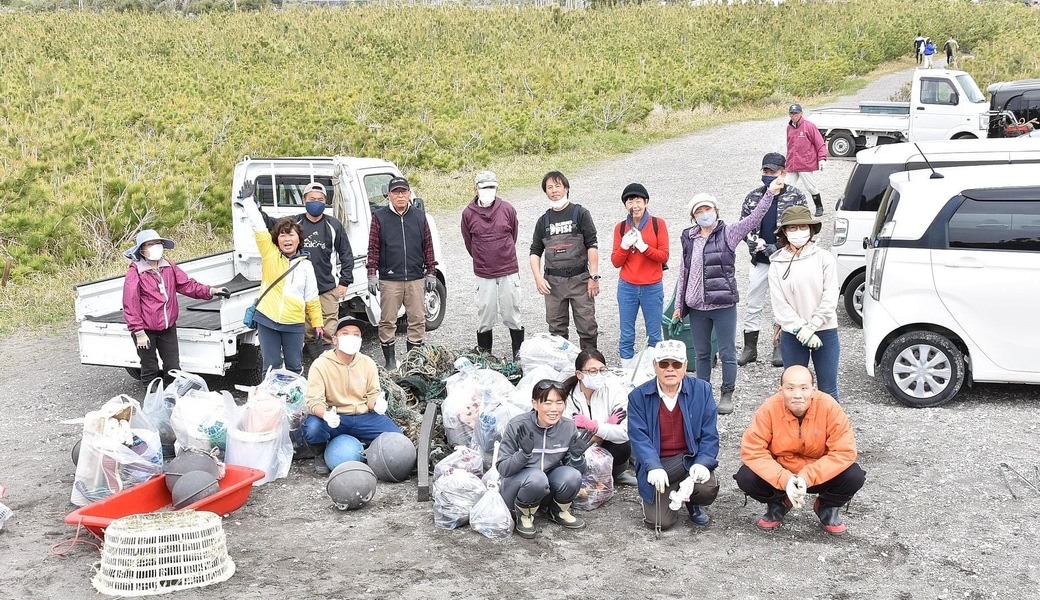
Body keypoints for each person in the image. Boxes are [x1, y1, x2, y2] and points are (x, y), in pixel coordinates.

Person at [673, 177, 780, 414]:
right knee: (701, 354)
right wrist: (680, 305)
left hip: (722, 304)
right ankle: (702, 394)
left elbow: (753, 219)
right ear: (693, 216)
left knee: (727, 352)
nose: (704, 214)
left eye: (707, 209)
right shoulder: (688, 237)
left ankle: (727, 393)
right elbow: (684, 271)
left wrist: (769, 194)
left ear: (716, 210)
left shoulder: (729, 233)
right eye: (699, 211)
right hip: (696, 306)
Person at [734, 365, 865, 535]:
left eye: (804, 388)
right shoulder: (769, 408)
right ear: (780, 390)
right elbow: (752, 450)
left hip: (819, 474)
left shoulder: (829, 407)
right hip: (782, 472)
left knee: (854, 476)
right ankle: (779, 502)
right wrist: (785, 480)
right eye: (790, 388)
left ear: (813, 390)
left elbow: (844, 451)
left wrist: (807, 476)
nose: (797, 395)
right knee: (746, 476)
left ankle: (827, 505)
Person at [627, 340, 721, 530]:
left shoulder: (702, 390)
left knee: (707, 487)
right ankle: (669, 491)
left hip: (689, 460)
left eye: (676, 364)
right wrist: (653, 466)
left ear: (685, 366)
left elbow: (709, 434)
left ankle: (693, 501)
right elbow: (639, 437)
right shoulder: (638, 396)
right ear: (655, 366)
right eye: (664, 364)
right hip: (661, 464)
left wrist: (702, 463)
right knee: (660, 522)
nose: (670, 369)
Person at [236, 181, 323, 375]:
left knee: (294, 365)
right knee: (271, 366)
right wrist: (249, 202)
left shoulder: (306, 266)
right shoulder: (269, 254)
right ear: (277, 240)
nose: (287, 239)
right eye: (282, 236)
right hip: (267, 319)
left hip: (293, 322)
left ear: (299, 239)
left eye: (291, 235)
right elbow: (258, 226)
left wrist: (317, 323)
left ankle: (292, 402)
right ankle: (271, 403)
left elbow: (312, 298)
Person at [122, 230, 229, 385]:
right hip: (146, 330)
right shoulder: (136, 271)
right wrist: (138, 332)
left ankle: (171, 400)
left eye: (157, 243)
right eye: (150, 244)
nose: (155, 247)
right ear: (142, 249)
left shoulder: (168, 266)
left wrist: (211, 291)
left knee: (173, 368)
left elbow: (187, 285)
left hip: (168, 328)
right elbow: (130, 303)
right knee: (149, 368)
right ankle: (153, 403)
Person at [258, 182, 353, 353]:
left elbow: (346, 254)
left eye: (320, 199)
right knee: (308, 332)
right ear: (304, 200)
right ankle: (312, 367)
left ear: (326, 202)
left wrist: (345, 282)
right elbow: (271, 224)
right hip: (299, 290)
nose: (316, 202)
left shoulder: (334, 225)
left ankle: (328, 367)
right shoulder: (295, 223)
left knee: (327, 331)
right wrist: (256, 209)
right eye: (312, 199)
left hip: (326, 288)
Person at [303, 317, 402, 474]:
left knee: (397, 438)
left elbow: (372, 395)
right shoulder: (321, 365)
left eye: (356, 334)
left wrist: (376, 403)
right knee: (313, 428)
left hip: (362, 417)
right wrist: (326, 414)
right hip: (336, 418)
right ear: (335, 339)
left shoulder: (367, 363)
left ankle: (364, 448)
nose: (352, 338)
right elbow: (314, 400)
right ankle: (320, 453)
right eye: (345, 333)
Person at [497, 380, 595, 539]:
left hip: (546, 489)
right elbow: (503, 469)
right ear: (535, 404)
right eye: (547, 403)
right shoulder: (518, 425)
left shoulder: (567, 427)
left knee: (572, 475)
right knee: (537, 478)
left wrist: (576, 456)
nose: (554, 409)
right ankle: (524, 516)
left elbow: (577, 471)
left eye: (559, 402)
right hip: (517, 489)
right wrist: (523, 454)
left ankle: (557, 511)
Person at [738, 153, 809, 369]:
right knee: (753, 302)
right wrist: (753, 243)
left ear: (784, 173)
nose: (769, 176)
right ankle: (750, 347)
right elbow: (744, 226)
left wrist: (777, 247)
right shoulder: (753, 197)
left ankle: (779, 344)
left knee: (783, 303)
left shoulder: (796, 197)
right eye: (765, 172)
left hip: (785, 260)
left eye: (773, 172)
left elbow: (804, 226)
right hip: (759, 260)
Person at [768, 205, 840, 400]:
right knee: (794, 390)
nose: (798, 232)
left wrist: (814, 324)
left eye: (802, 227)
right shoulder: (776, 264)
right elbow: (780, 304)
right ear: (784, 231)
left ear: (811, 229)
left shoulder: (824, 258)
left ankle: (832, 430)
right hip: (793, 334)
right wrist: (801, 329)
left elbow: (831, 295)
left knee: (828, 390)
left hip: (825, 329)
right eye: (792, 228)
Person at [367, 176, 438, 370]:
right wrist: (372, 273)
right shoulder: (379, 217)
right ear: (389, 195)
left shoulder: (419, 216)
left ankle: (411, 362)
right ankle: (390, 362)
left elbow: (428, 246)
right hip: (390, 279)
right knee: (388, 320)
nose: (400, 196)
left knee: (417, 320)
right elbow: (373, 247)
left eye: (403, 192)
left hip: (416, 277)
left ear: (409, 194)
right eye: (396, 192)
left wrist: (431, 271)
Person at [529, 171, 601, 350]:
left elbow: (592, 244)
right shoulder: (543, 221)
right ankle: (563, 370)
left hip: (580, 280)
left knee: (587, 327)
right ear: (545, 192)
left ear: (566, 188)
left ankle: (589, 365)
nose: (554, 191)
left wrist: (594, 276)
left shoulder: (580, 213)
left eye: (558, 186)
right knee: (556, 330)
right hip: (553, 283)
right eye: (549, 187)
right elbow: (535, 251)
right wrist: (538, 277)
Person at [460, 170, 524, 358]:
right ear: (475, 189)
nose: (488, 191)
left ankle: (518, 353)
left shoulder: (508, 209)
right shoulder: (468, 214)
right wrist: (482, 257)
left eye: (492, 187)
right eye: (484, 187)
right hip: (483, 272)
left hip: (508, 269)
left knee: (512, 312)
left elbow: (514, 236)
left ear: (497, 188)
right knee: (485, 315)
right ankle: (485, 356)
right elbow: (468, 241)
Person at [610, 182, 669, 368]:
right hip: (627, 287)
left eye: (638, 200)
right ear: (625, 205)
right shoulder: (620, 228)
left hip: (652, 286)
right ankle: (627, 371)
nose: (634, 205)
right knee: (626, 334)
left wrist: (644, 247)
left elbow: (663, 256)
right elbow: (616, 262)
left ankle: (654, 373)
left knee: (654, 334)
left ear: (646, 202)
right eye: (629, 201)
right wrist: (624, 246)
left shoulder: (658, 224)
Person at [562, 349, 636, 486]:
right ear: (579, 374)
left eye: (602, 370)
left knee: (623, 446)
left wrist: (593, 426)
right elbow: (567, 436)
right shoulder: (567, 396)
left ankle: (616, 473)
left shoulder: (613, 389)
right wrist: (606, 428)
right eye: (593, 371)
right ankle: (583, 479)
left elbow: (625, 431)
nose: (599, 375)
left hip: (604, 444)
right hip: (580, 451)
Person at [785, 103, 827, 218]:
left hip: (805, 164)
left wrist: (822, 158)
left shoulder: (809, 126)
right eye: (791, 113)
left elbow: (820, 143)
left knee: (810, 187)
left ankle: (819, 206)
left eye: (796, 113)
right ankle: (785, 208)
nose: (794, 116)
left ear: (801, 113)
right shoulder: (789, 128)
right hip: (792, 164)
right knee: (786, 187)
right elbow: (789, 146)